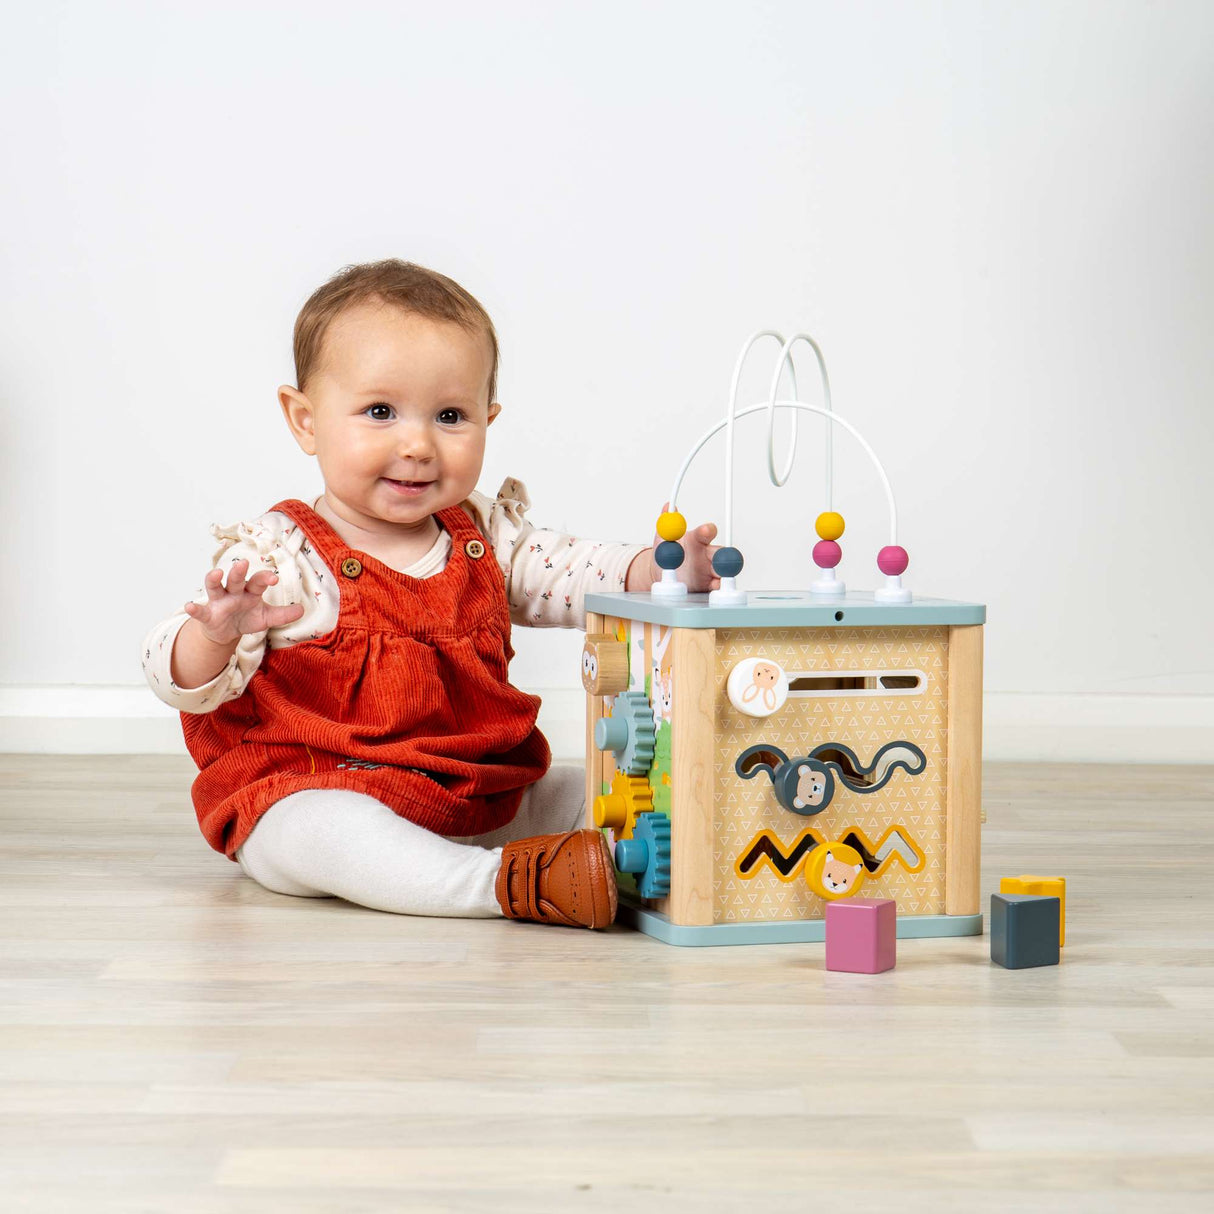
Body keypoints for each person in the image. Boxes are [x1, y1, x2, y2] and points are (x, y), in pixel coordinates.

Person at [141, 259, 720, 929]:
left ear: (488, 419)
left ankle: (616, 865)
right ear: (305, 420)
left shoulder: (484, 535)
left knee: (602, 787)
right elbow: (170, 675)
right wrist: (212, 635)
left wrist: (655, 569)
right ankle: (497, 885)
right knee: (318, 829)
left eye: (450, 416)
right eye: (379, 412)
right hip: (320, 787)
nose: (417, 444)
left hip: (478, 794)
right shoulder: (278, 559)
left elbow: (569, 570)